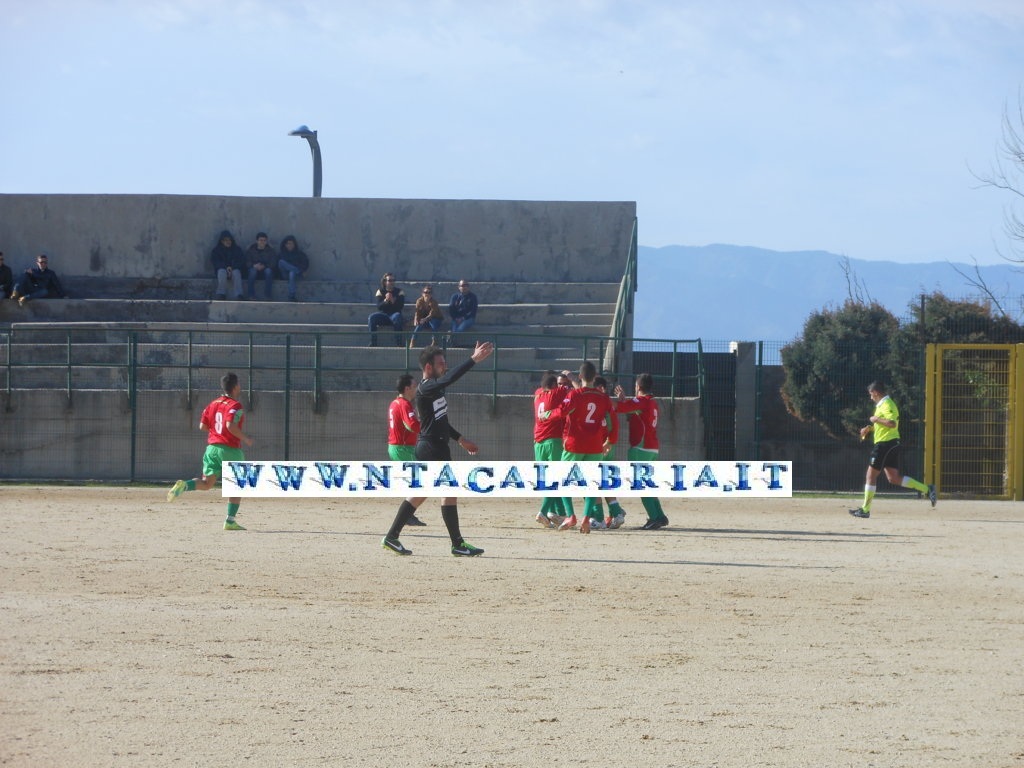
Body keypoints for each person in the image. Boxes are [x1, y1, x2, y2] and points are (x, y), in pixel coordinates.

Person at [381, 341, 495, 556]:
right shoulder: (426, 387)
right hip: (431, 447)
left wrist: (461, 439)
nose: (445, 366)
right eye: (440, 363)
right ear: (428, 368)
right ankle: (457, 545)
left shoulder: (434, 389)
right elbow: (450, 378)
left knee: (425, 492)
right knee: (447, 492)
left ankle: (392, 537)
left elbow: (441, 421)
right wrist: (473, 359)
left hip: (435, 446)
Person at [166, 372, 255, 530]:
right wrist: (245, 438)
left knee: (207, 484)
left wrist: (216, 432)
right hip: (230, 449)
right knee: (236, 485)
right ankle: (230, 521)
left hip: (212, 449)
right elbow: (230, 426)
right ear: (235, 387)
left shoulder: (212, 404)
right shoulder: (235, 405)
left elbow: (202, 426)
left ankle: (184, 485)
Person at [543, 360, 619, 534]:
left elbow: (561, 411)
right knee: (592, 483)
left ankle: (571, 516)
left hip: (574, 444)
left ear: (580, 376)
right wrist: (611, 441)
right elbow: (613, 421)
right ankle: (586, 518)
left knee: (562, 479)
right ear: (595, 377)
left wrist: (546, 414)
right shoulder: (603, 398)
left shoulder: (575, 394)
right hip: (595, 446)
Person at [849, 380, 936, 518]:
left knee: (870, 476)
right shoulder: (881, 405)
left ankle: (865, 510)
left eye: (871, 394)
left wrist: (876, 420)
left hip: (886, 444)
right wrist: (869, 428)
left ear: (876, 393)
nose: (870, 397)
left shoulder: (888, 404)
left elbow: (892, 423)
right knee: (894, 478)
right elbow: (884, 423)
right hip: (888, 443)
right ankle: (927, 489)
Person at [615, 373, 669, 530]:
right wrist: (626, 401)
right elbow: (633, 411)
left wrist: (621, 401)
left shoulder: (641, 401)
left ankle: (653, 518)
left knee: (641, 484)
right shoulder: (652, 402)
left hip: (640, 447)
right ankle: (659, 515)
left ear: (638, 387)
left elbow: (622, 408)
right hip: (652, 447)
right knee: (648, 483)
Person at [533, 371, 571, 528]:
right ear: (555, 385)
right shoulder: (557, 393)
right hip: (552, 441)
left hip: (538, 442)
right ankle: (544, 511)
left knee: (546, 479)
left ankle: (556, 513)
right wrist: (567, 377)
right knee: (556, 477)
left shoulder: (537, 394)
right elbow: (569, 388)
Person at [387, 374, 426, 526]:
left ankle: (409, 513)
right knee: (423, 479)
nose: (416, 389)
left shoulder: (395, 403)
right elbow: (412, 425)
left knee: (417, 480)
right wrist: (426, 426)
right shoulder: (404, 404)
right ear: (407, 388)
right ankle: (407, 514)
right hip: (403, 448)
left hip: (397, 447)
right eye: (414, 386)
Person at [592, 375, 629, 530]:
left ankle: (599, 518)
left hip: (600, 447)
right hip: (606, 446)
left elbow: (613, 423)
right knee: (603, 482)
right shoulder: (606, 401)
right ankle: (616, 512)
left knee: (594, 482)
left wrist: (607, 442)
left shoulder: (601, 402)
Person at [368, 272, 405, 347]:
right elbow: (379, 307)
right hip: (384, 315)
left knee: (397, 316)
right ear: (385, 282)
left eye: (393, 280)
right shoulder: (380, 291)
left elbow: (400, 307)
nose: (392, 282)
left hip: (394, 315)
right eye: (390, 280)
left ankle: (399, 343)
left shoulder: (400, 292)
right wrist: (385, 300)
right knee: (372, 317)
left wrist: (392, 300)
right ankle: (373, 342)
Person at [210, 230, 245, 300]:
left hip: (234, 269)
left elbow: (241, 261)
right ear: (222, 241)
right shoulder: (216, 250)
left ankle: (239, 295)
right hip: (223, 269)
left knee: (236, 273)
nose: (228, 242)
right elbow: (216, 262)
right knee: (221, 272)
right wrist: (226, 268)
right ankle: (221, 294)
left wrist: (232, 268)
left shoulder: (237, 249)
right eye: (225, 240)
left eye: (229, 240)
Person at [409, 284, 444, 348]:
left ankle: (434, 341)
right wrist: (416, 320)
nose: (427, 294)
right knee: (419, 325)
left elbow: (432, 314)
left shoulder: (434, 302)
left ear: (431, 294)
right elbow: (417, 312)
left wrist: (424, 319)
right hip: (425, 320)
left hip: (435, 319)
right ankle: (413, 341)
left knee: (433, 323)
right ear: (422, 293)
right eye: (425, 292)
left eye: (429, 292)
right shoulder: (419, 301)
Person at [276, 235, 309, 302]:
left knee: (292, 273)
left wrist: (301, 269)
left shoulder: (299, 254)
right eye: (287, 243)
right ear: (285, 245)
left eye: (291, 243)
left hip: (295, 276)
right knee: (281, 262)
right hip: (284, 274)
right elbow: (276, 266)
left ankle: (291, 296)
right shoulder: (281, 254)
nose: (289, 245)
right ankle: (297, 271)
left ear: (294, 244)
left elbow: (305, 263)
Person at [245, 232, 276, 300]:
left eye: (264, 240)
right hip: (254, 270)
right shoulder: (251, 250)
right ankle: (251, 295)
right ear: (257, 241)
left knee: (269, 271)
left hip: (265, 271)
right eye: (261, 240)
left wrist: (264, 266)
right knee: (252, 272)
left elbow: (273, 263)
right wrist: (254, 266)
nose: (262, 242)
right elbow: (247, 262)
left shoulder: (271, 251)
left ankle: (267, 296)